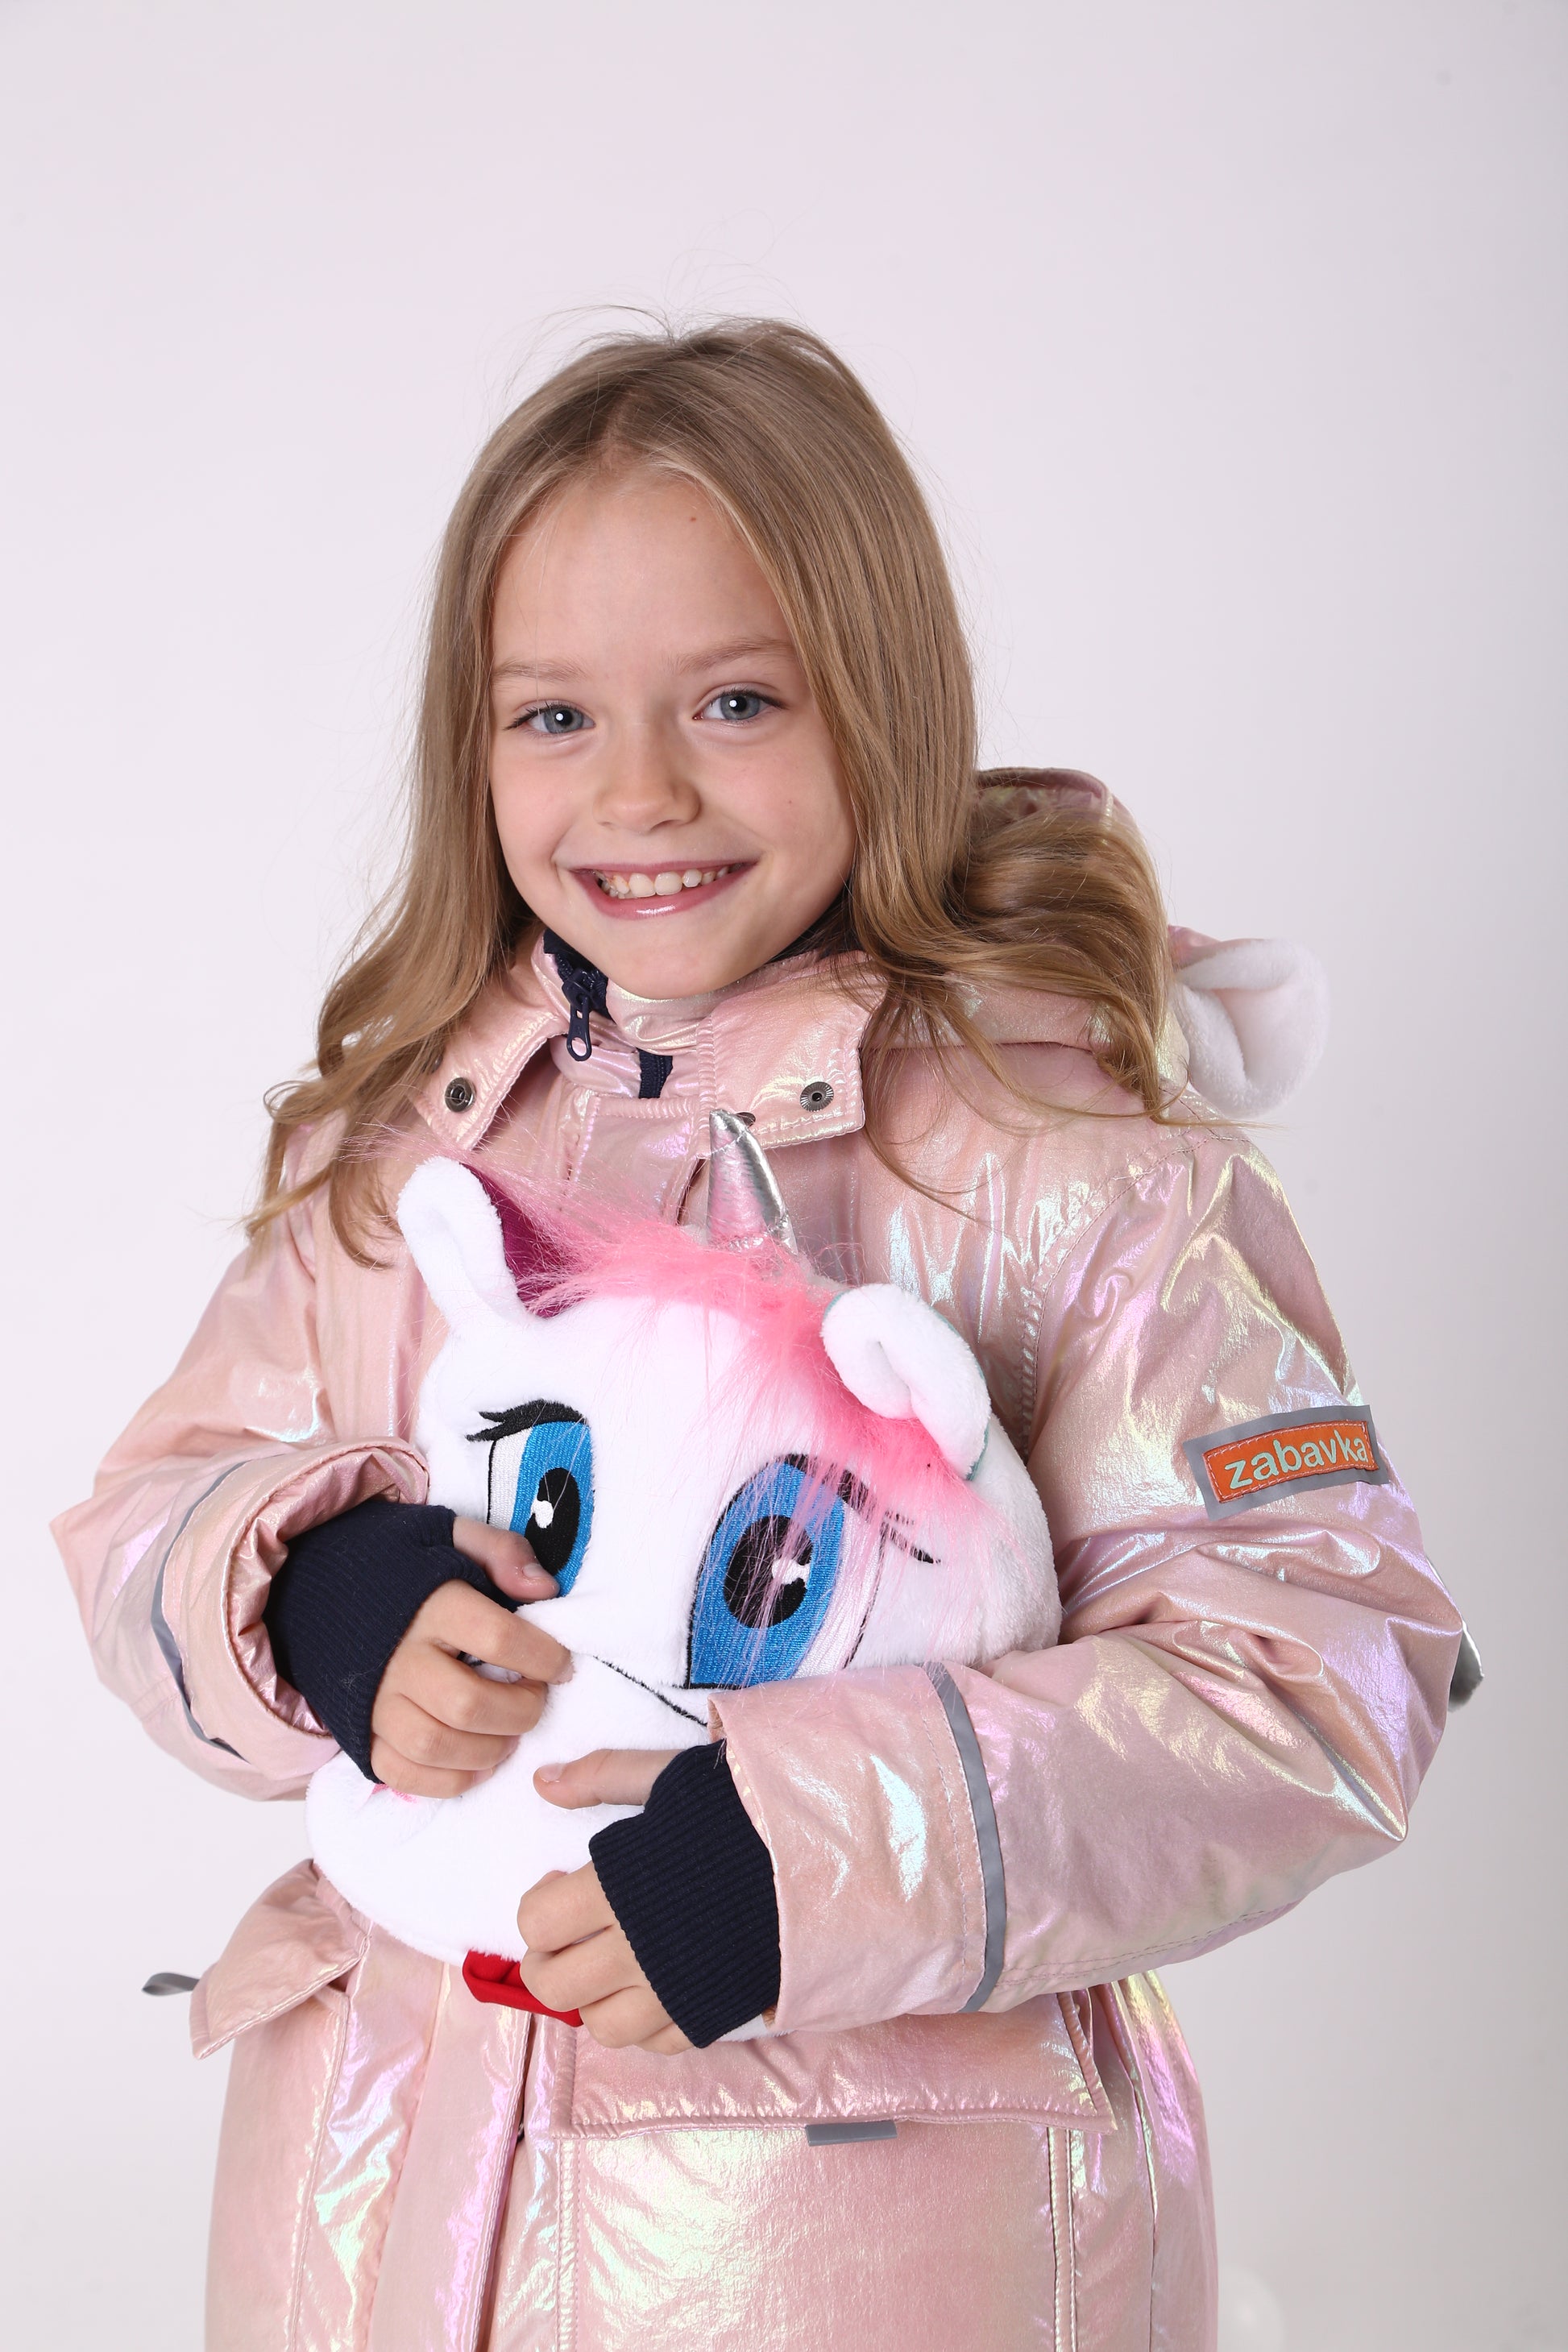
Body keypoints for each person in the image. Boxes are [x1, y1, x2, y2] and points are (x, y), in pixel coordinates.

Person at [54, 319, 1462, 2352]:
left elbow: (1319, 1663)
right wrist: (320, 1592)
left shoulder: (1065, 1162)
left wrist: (810, 1849)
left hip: (850, 2253)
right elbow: (145, 1512)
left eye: (734, 699)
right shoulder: (410, 1142)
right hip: (363, 2211)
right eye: (554, 714)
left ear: (879, 697)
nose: (639, 789)